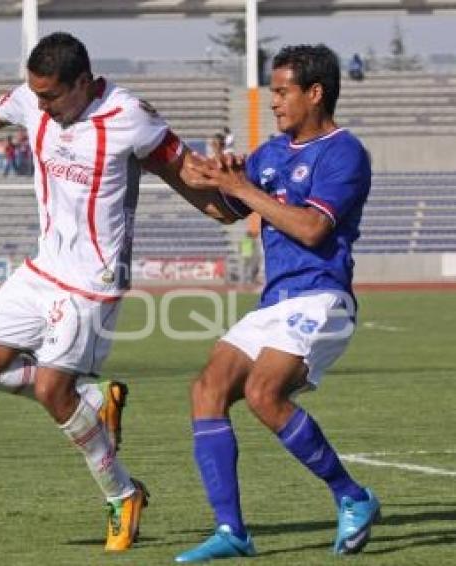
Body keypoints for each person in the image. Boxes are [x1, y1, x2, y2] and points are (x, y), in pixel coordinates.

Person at [0, 31, 237, 552]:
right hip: (42, 268)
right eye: (37, 95)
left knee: (55, 392)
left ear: (84, 82)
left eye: (52, 95)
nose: (43, 105)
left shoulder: (129, 115)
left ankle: (122, 494)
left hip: (93, 281)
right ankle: (96, 402)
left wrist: (230, 206)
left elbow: (181, 167)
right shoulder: (35, 101)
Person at [174, 44, 379, 562]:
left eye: (283, 92)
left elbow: (312, 229)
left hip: (322, 297)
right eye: (273, 94)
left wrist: (241, 185)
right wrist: (192, 175)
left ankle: (353, 497)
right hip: (275, 301)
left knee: (265, 394)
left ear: (315, 93)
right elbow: (224, 210)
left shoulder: (344, 152)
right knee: (207, 388)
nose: (275, 104)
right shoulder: (267, 154)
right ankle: (232, 531)